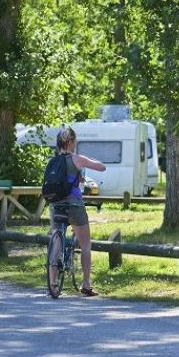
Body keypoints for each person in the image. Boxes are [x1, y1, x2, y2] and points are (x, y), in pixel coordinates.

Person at [48, 126, 106, 297]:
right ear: (71, 142)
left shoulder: (53, 161)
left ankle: (52, 283)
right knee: (86, 244)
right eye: (75, 141)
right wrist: (86, 163)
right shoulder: (77, 159)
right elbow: (101, 167)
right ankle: (86, 284)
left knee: (56, 239)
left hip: (55, 204)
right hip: (74, 204)